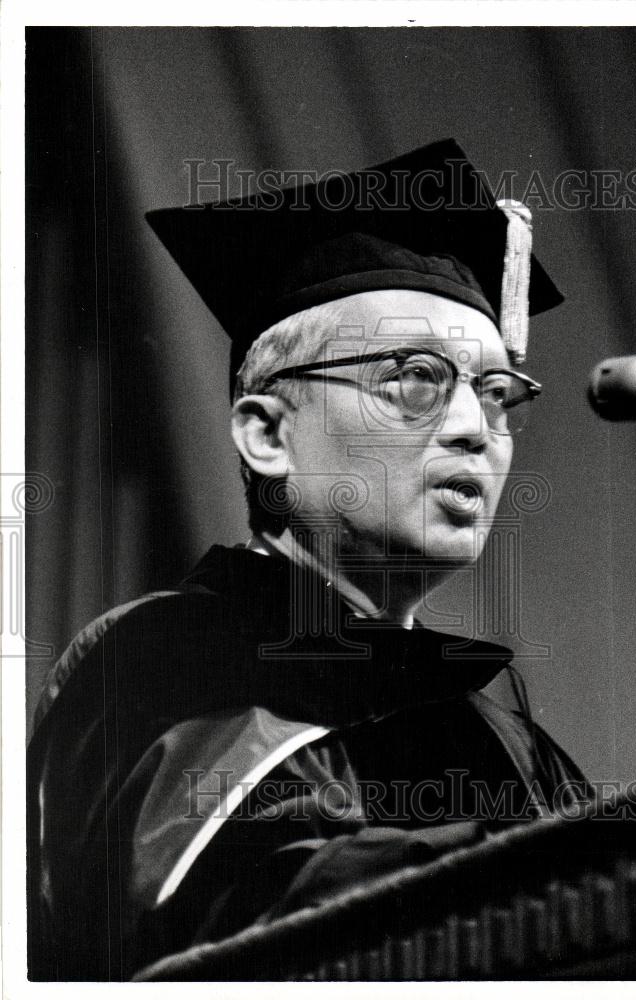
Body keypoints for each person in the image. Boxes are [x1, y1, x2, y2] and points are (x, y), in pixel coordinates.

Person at [27, 139, 588, 981]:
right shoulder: (168, 658)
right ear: (268, 434)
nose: (475, 427)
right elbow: (236, 921)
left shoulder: (504, 735)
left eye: (496, 393)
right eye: (414, 379)